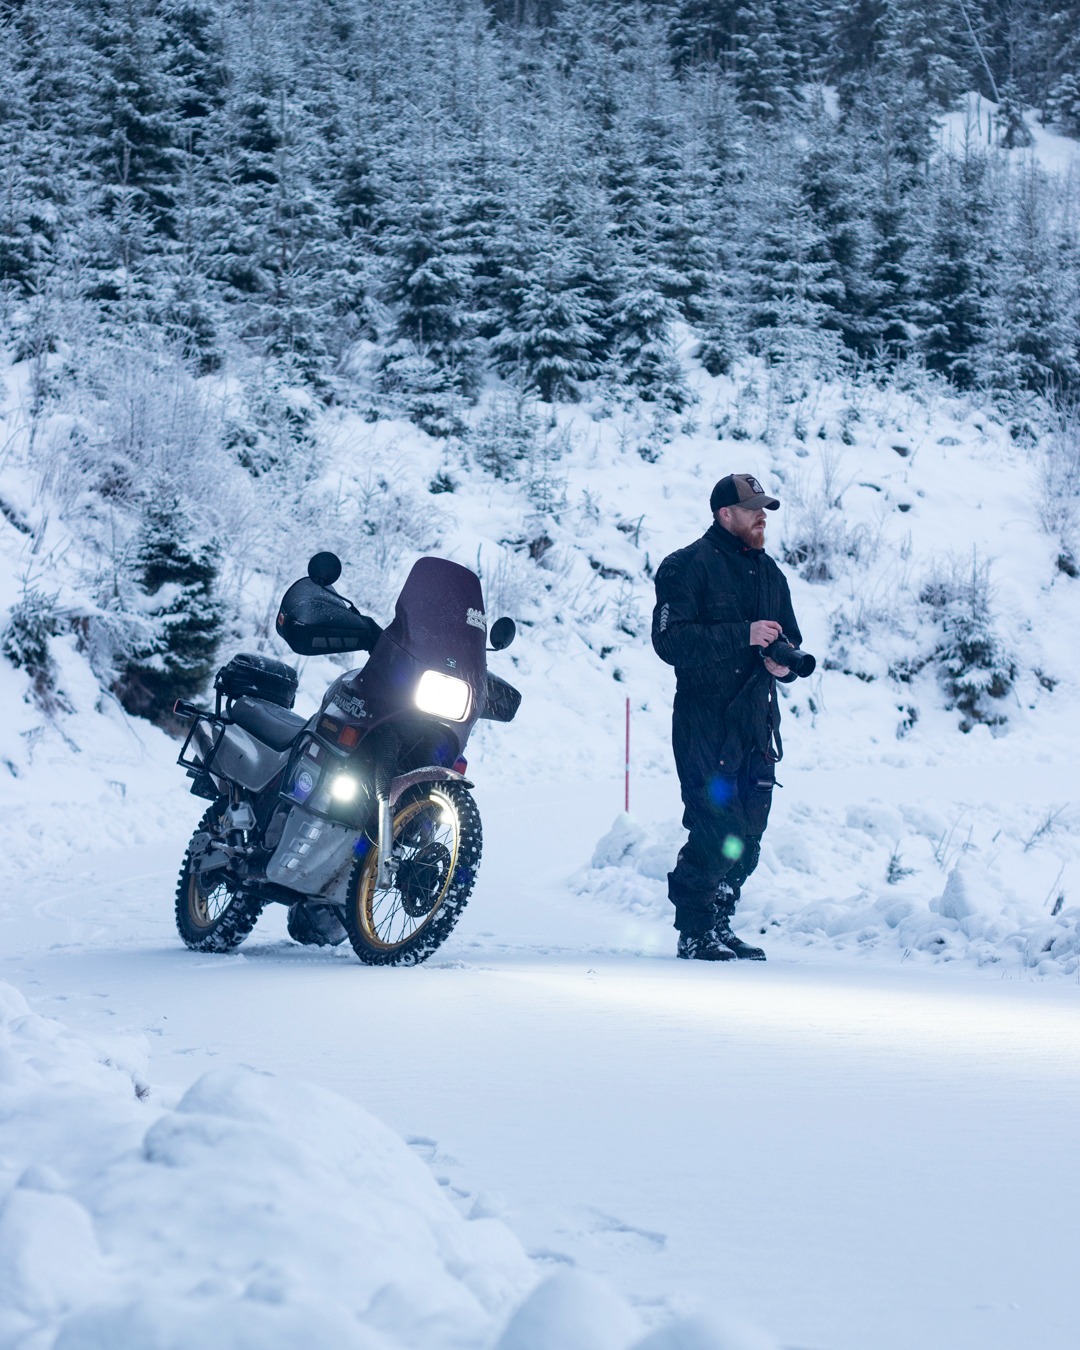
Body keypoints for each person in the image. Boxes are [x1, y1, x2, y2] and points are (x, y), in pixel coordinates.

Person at [651, 473, 803, 962]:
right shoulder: (684, 566)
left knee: (750, 835)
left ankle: (720, 921)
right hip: (704, 722)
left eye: (765, 509)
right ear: (725, 514)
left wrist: (782, 665)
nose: (763, 517)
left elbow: (789, 639)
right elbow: (669, 642)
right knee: (717, 829)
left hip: (755, 724)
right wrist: (744, 634)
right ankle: (694, 930)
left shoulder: (770, 573)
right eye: (754, 509)